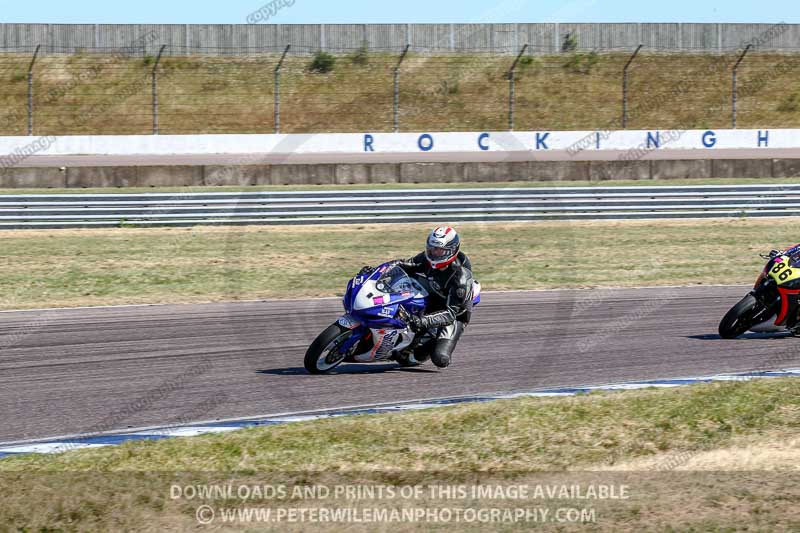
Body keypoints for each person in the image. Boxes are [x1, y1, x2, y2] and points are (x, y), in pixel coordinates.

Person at [390, 226, 474, 368]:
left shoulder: (460, 278)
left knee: (440, 359)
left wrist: (421, 321)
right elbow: (404, 265)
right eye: (432, 248)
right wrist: (377, 271)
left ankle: (430, 342)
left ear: (451, 251)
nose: (434, 253)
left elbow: (450, 314)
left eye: (440, 250)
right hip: (433, 294)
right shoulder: (426, 257)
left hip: (454, 313)